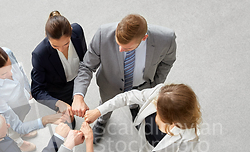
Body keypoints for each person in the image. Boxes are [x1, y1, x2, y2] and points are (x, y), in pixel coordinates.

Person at [71, 14, 177, 143]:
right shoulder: (102, 35)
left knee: (137, 102)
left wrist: (155, 86)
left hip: (142, 86)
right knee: (106, 104)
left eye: (127, 48)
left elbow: (167, 62)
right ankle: (102, 120)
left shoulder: (166, 39)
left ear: (144, 38)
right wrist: (78, 96)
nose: (121, 50)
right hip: (110, 85)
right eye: (118, 44)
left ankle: (134, 108)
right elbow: (87, 66)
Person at [85, 83, 201, 152]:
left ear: (173, 119)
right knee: (143, 150)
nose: (154, 104)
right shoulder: (159, 94)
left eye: (159, 112)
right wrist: (99, 111)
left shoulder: (190, 135)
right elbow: (126, 97)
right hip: (144, 135)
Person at [0, 45, 63, 152]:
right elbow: (17, 125)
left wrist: (28, 89)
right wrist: (46, 120)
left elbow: (20, 70)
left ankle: (24, 132)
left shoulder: (7, 52)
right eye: (4, 73)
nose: (11, 73)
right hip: (11, 110)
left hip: (22, 100)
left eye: (10, 66)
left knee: (22, 116)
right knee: (13, 130)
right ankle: (18, 142)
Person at [31, 11, 87, 128]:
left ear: (71, 31)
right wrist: (58, 103)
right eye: (55, 46)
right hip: (58, 89)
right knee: (68, 117)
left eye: (66, 44)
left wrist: (79, 93)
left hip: (78, 80)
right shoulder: (39, 54)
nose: (61, 49)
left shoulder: (77, 31)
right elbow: (37, 90)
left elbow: (85, 58)